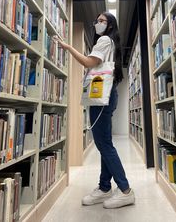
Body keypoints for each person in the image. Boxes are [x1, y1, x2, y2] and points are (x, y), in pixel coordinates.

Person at [56, 11, 135, 209]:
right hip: (108, 95)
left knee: (104, 145)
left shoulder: (105, 40)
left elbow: (88, 62)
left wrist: (68, 47)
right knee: (104, 144)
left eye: (102, 20)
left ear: (109, 25)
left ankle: (125, 190)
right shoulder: (110, 42)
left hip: (102, 98)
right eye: (97, 20)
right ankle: (104, 187)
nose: (97, 23)